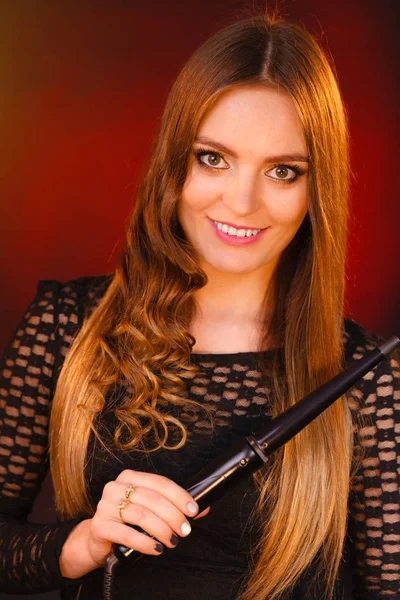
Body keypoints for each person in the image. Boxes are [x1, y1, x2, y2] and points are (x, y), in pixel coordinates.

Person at [0, 11, 399, 600]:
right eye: (213, 158)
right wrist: (80, 543)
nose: (241, 201)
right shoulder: (63, 328)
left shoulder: (366, 376)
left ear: (318, 192)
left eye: (284, 172)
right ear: (173, 160)